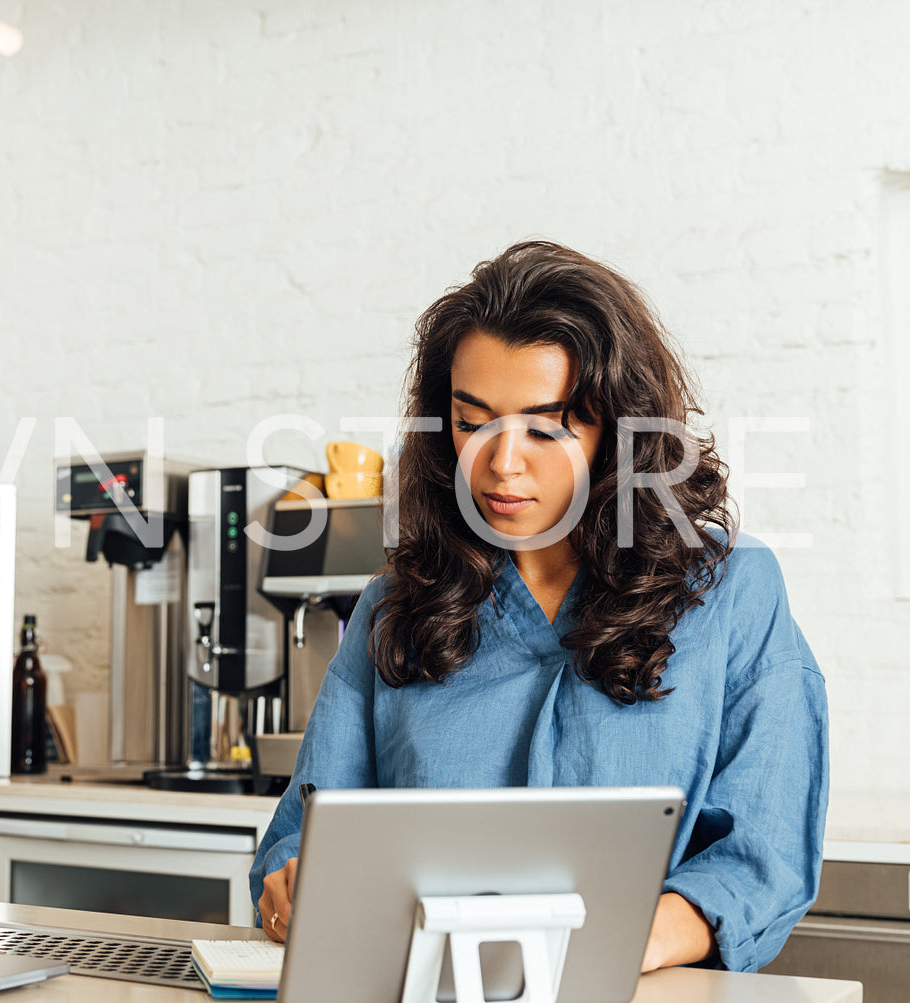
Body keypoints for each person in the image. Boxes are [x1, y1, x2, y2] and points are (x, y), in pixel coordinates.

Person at [249, 241, 828, 974]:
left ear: (618, 431)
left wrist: (617, 941)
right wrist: (291, 888)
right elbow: (300, 838)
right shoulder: (394, 604)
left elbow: (762, 858)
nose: (501, 463)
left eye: (548, 426)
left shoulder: (731, 592)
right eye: (470, 421)